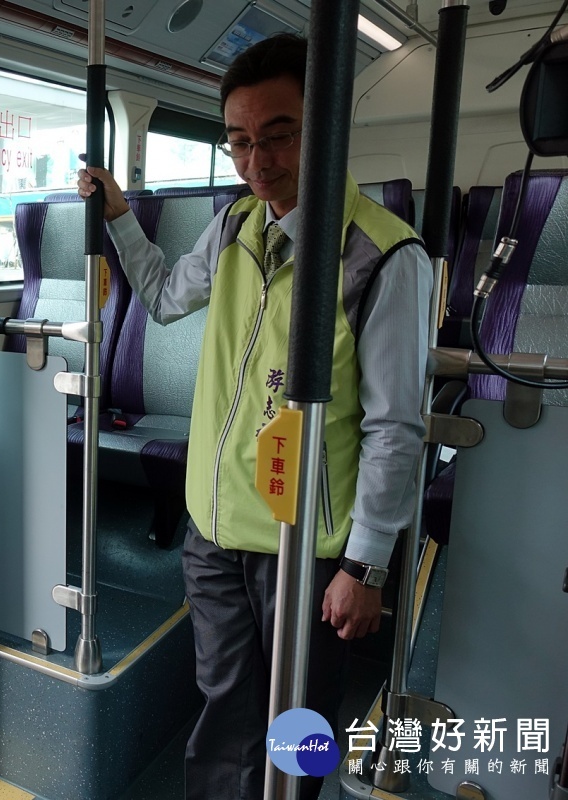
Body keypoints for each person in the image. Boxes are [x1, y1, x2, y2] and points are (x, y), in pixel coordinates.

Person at [77, 34, 430, 800]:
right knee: (226, 708)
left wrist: (366, 565)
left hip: (303, 544)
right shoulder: (237, 224)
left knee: (297, 722)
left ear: (328, 126)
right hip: (215, 526)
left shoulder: (382, 257)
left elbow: (395, 427)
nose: (256, 162)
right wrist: (119, 215)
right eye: (239, 141)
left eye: (278, 135)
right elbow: (168, 296)